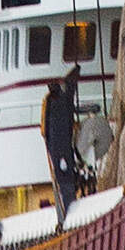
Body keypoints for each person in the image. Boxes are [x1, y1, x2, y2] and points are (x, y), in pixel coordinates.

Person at [41, 73, 82, 220]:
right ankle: (68, 208)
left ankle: (68, 207)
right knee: (64, 175)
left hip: (60, 145)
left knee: (64, 175)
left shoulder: (50, 104)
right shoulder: (56, 103)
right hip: (61, 146)